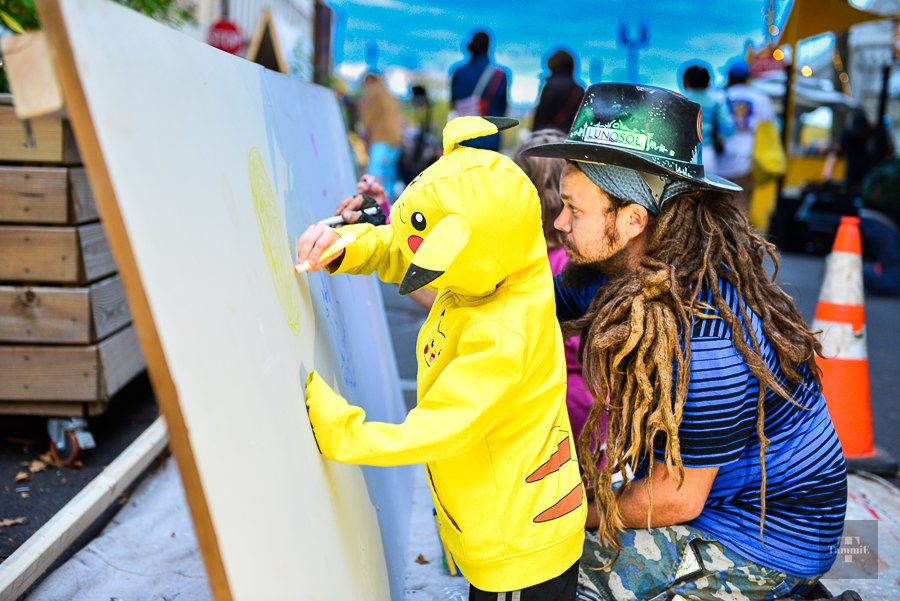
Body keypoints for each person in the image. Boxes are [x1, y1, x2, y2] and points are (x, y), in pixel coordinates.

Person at [525, 83, 847, 600]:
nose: (559, 223)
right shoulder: (613, 269)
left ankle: (775, 591)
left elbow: (677, 499)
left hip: (764, 537)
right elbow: (527, 306)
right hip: (709, 498)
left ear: (633, 219)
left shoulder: (708, 337)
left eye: (573, 209)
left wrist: (576, 512)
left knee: (549, 576)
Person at [298, 116, 586, 600]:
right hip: (502, 521)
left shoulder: (502, 333)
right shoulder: (504, 255)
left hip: (518, 549)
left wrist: (346, 434)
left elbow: (442, 426)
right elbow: (406, 248)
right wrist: (348, 247)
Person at [718, 59, 784, 215]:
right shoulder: (760, 97)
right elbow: (771, 126)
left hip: (719, 161)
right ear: (748, 77)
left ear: (729, 77)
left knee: (718, 208)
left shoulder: (720, 96)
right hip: (746, 159)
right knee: (741, 208)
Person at [449, 30, 509, 151]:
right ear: (488, 47)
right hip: (489, 137)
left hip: (462, 135)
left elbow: (453, 103)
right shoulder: (499, 75)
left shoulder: (458, 72)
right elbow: (501, 110)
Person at [680, 61, 734, 176]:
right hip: (708, 153)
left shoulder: (683, 101)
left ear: (686, 81)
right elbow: (728, 129)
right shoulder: (716, 100)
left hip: (683, 155)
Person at [359, 72, 403, 199]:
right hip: (395, 141)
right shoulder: (389, 95)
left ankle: (378, 206)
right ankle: (387, 206)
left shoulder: (373, 93)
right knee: (389, 178)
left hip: (381, 140)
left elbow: (368, 119)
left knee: (375, 179)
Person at [533, 49, 585, 133]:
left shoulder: (550, 86)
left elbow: (541, 116)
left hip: (550, 136)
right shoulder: (579, 90)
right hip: (571, 136)